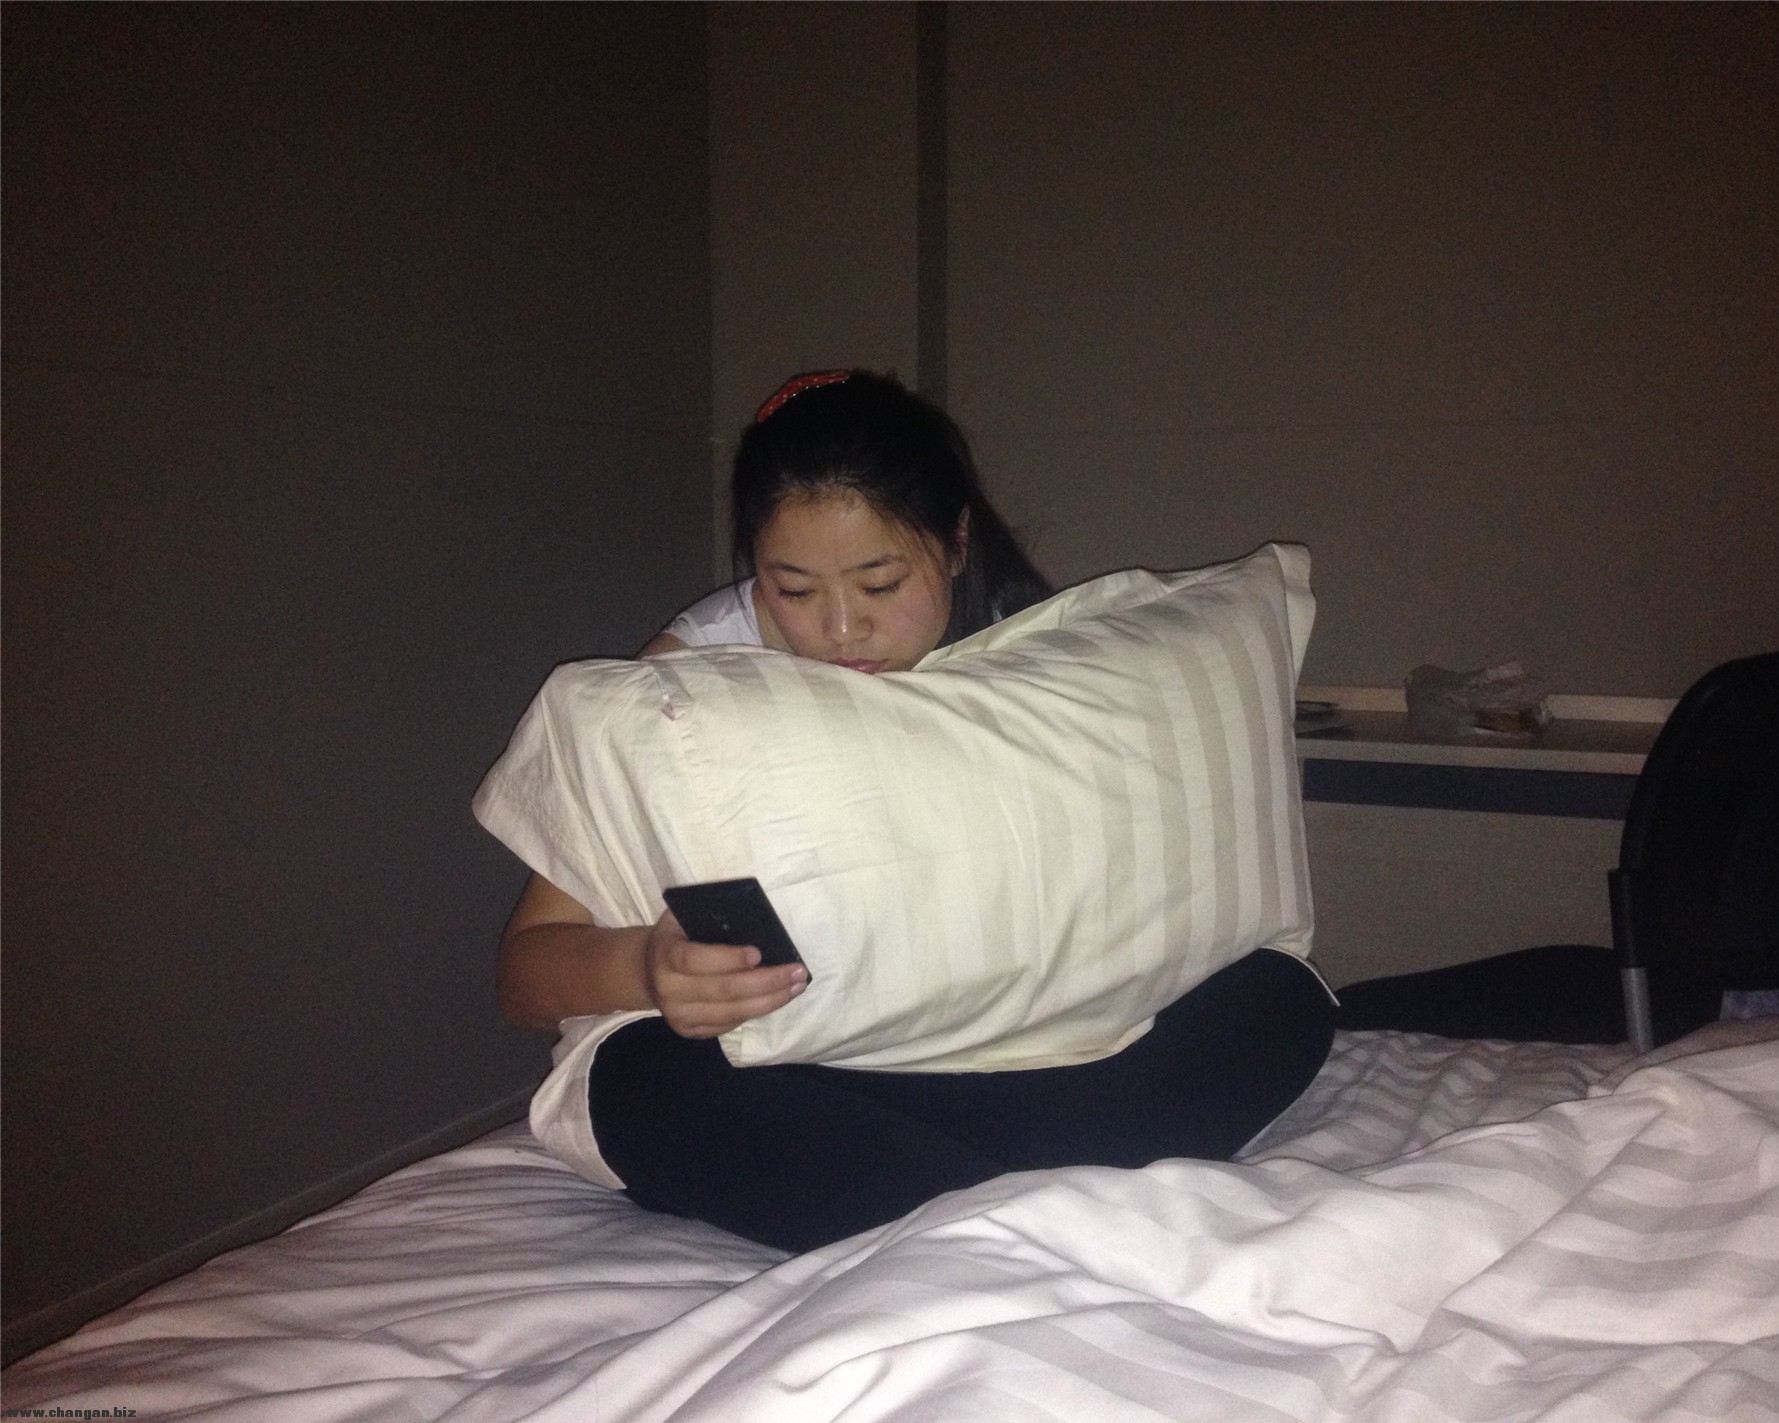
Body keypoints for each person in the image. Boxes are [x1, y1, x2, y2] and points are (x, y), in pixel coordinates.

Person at [497, 370, 1337, 1252]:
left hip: (1014, 1053)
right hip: (804, 1066)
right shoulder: (679, 692)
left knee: (1278, 994)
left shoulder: (1036, 655)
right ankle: (1028, 1205)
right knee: (648, 1080)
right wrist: (646, 966)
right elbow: (524, 973)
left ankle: (953, 1202)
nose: (841, 631)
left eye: (880, 583)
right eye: (793, 589)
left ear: (956, 543)